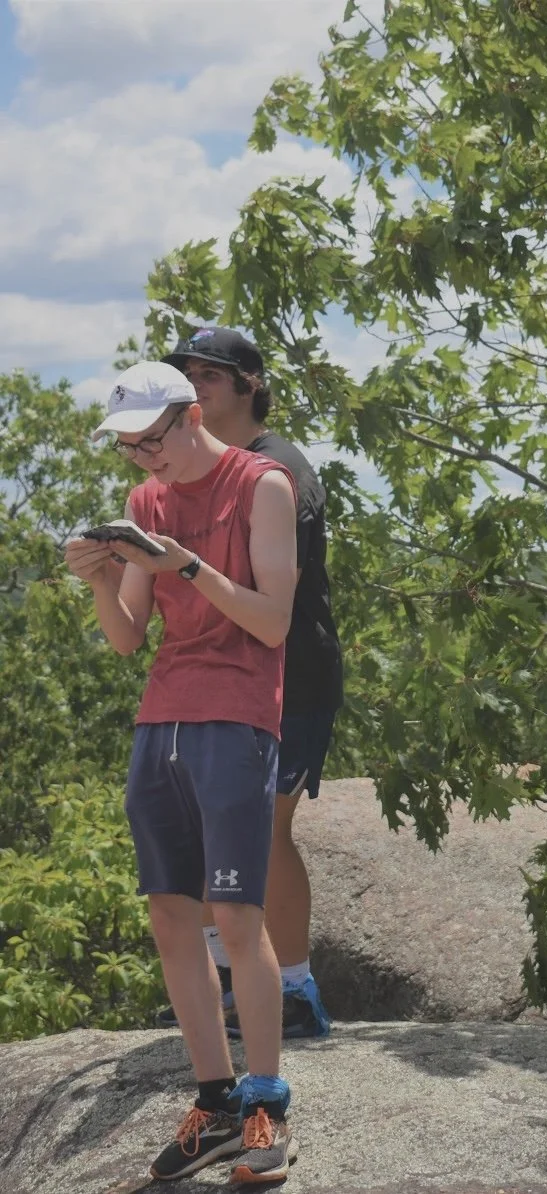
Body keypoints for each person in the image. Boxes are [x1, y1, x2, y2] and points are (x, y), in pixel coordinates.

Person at [64, 361, 300, 1183]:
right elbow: (129, 637)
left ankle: (269, 1107)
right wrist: (101, 577)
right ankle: (216, 1100)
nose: (143, 459)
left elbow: (273, 623)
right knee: (172, 913)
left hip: (238, 712)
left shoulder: (261, 484)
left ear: (192, 414)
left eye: (151, 440)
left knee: (236, 915)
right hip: (162, 714)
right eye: (129, 449)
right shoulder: (145, 503)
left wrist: (187, 566)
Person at [156, 327, 343, 1040]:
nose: (195, 382)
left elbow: (270, 594)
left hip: (291, 677)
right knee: (210, 829)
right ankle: (227, 981)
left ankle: (294, 990)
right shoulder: (203, 471)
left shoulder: (275, 469)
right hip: (222, 678)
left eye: (212, 372)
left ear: (249, 384)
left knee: (263, 832)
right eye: (187, 372)